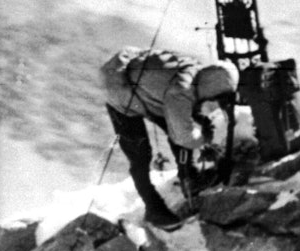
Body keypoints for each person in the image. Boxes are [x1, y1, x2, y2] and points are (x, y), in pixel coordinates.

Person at [100, 47, 239, 229]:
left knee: (179, 124)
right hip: (120, 97)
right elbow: (183, 136)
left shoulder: (198, 76)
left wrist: (200, 123)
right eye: (217, 96)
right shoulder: (181, 91)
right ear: (213, 87)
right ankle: (153, 208)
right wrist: (205, 138)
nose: (215, 100)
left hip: (149, 92)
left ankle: (189, 177)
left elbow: (183, 115)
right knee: (140, 156)